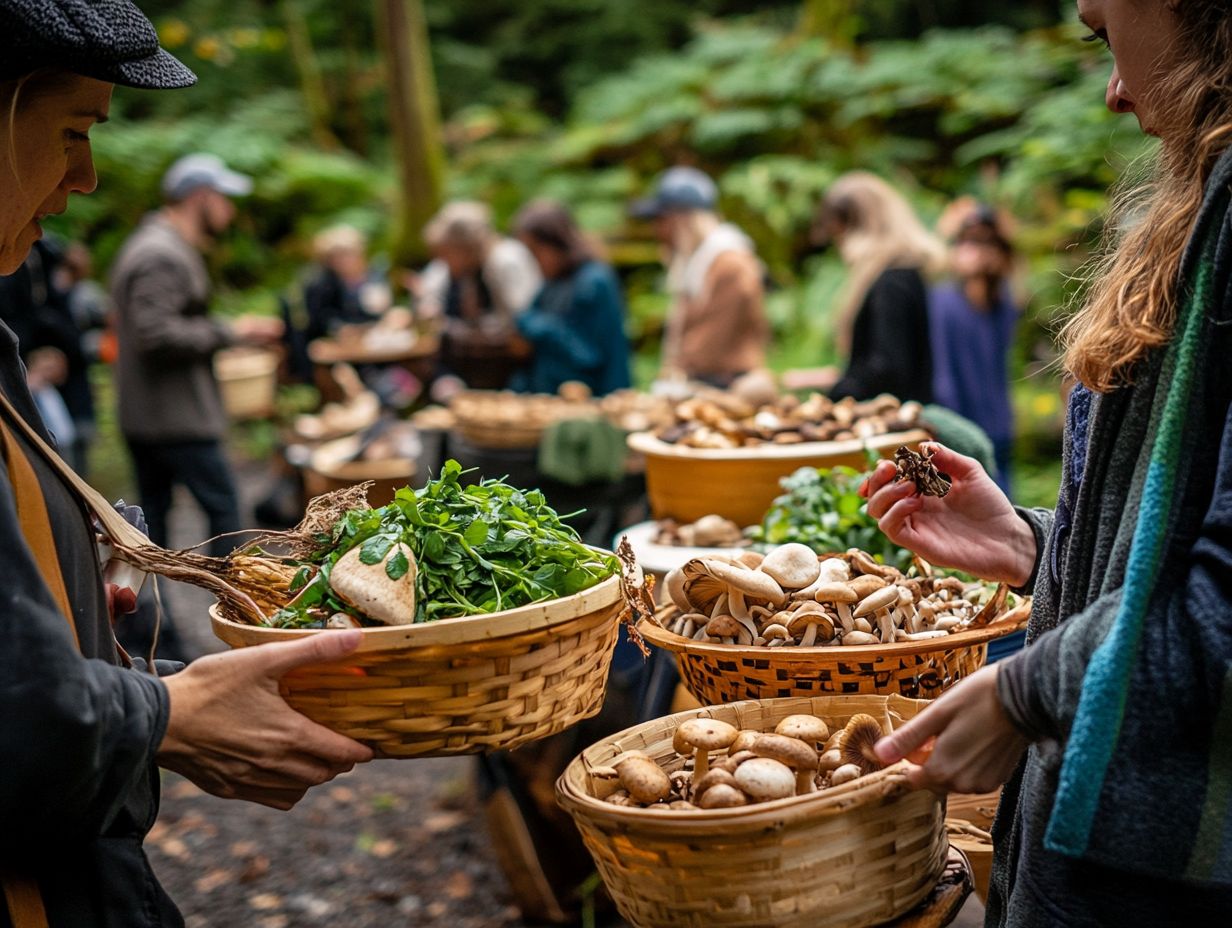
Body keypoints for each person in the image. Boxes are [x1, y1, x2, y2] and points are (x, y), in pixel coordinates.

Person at [0, 3, 371, 925]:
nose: (82, 177)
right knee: (211, 517)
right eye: (73, 131)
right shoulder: (162, 251)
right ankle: (215, 643)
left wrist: (70, 614)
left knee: (151, 540)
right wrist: (168, 715)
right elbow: (17, 715)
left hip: (74, 861)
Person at [861, 2, 1232, 924]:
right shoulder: (1210, 194)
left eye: (1103, 30)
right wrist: (1038, 541)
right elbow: (1186, 541)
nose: (1113, 90)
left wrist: (1031, 689)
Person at [111, 151, 281, 557]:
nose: (230, 208)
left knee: (148, 527)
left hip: (152, 415)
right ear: (200, 196)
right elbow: (155, 333)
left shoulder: (158, 245)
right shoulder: (160, 253)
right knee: (225, 514)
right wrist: (231, 331)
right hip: (176, 418)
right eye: (224, 197)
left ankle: (149, 620)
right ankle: (235, 611)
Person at [811, 172, 946, 403]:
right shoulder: (902, 273)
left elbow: (888, 368)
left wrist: (838, 392)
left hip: (895, 421)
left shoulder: (891, 282)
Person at [631, 166, 769, 388]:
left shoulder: (730, 264)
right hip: (705, 384)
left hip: (728, 387)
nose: (657, 231)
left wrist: (676, 371)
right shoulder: (699, 263)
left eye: (661, 221)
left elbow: (709, 347)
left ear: (681, 220)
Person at [929, 204, 1020, 495]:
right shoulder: (942, 302)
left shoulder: (1003, 304)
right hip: (960, 428)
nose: (977, 252)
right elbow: (942, 372)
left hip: (998, 427)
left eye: (986, 243)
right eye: (968, 242)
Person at [416, 200, 541, 392]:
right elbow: (434, 282)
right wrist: (429, 305)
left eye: (446, 254)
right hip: (478, 360)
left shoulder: (505, 261)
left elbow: (520, 322)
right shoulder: (463, 267)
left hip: (516, 365)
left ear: (466, 248)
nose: (443, 261)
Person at [510, 199, 631, 397]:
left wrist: (539, 328)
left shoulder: (593, 281)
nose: (535, 261)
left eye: (536, 251)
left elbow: (587, 354)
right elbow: (526, 323)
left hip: (592, 399)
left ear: (556, 243)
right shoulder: (552, 283)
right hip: (550, 399)